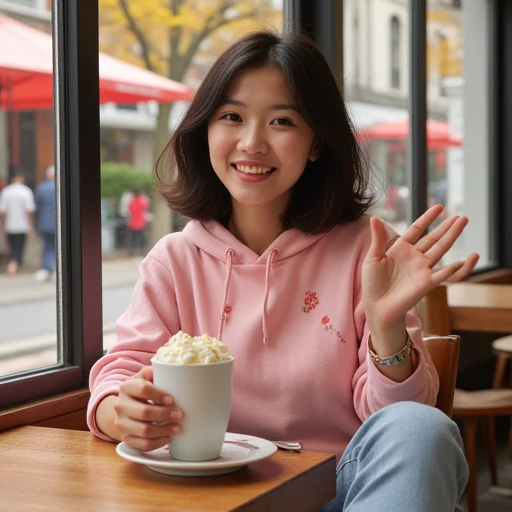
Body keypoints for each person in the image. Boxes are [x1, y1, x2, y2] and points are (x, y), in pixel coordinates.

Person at [87, 31, 479, 511]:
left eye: (282, 121)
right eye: (231, 116)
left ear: (316, 143)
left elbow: (398, 422)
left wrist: (387, 329)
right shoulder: (174, 261)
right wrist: (115, 411)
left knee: (423, 429)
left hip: (341, 494)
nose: (252, 142)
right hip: (212, 498)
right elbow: (122, 370)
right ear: (205, 130)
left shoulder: (368, 253)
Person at [0, 171, 36, 276]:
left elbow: (2, 211)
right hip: (23, 225)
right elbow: (29, 211)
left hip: (10, 225)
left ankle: (12, 261)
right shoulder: (26, 191)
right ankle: (15, 263)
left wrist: (3, 223)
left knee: (11, 245)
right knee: (20, 245)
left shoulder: (6, 191)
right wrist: (31, 225)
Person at [34, 164, 56, 282]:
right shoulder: (60, 186)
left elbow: (37, 206)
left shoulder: (41, 188)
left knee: (47, 246)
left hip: (44, 222)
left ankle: (48, 268)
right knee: (59, 246)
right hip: (58, 223)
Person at [127, 185, 149, 256]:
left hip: (133, 223)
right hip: (141, 223)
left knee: (133, 239)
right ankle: (142, 252)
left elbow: (130, 210)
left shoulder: (131, 201)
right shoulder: (143, 200)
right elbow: (146, 208)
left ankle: (132, 252)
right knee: (142, 239)